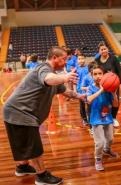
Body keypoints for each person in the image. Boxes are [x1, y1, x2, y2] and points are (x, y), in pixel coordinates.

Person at [3, 46, 85, 185]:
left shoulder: (54, 75)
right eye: (64, 59)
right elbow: (48, 79)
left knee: (26, 143)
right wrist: (65, 77)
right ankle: (42, 176)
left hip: (18, 112)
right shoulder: (44, 68)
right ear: (54, 58)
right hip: (19, 112)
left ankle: (22, 167)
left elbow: (66, 92)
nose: (66, 62)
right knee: (34, 146)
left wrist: (82, 96)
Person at [87, 64, 119, 171]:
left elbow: (115, 105)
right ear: (92, 76)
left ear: (104, 75)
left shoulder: (109, 89)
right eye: (95, 74)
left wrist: (114, 94)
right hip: (96, 120)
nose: (97, 76)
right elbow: (89, 100)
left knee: (110, 139)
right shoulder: (90, 88)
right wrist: (101, 90)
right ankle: (98, 159)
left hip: (108, 118)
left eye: (100, 73)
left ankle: (107, 149)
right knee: (99, 142)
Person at [95, 42, 121, 127]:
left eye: (105, 49)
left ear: (107, 49)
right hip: (102, 84)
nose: (104, 51)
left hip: (114, 83)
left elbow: (119, 70)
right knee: (104, 101)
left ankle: (114, 118)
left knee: (115, 100)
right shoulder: (96, 60)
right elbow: (95, 72)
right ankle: (104, 117)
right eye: (102, 49)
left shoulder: (113, 58)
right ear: (99, 51)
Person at [76, 53, 89, 125]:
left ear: (85, 59)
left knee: (89, 104)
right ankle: (84, 118)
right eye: (79, 59)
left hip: (88, 90)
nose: (81, 60)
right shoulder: (76, 69)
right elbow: (75, 80)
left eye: (82, 58)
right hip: (80, 90)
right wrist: (75, 90)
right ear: (77, 60)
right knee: (82, 105)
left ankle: (90, 117)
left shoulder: (88, 68)